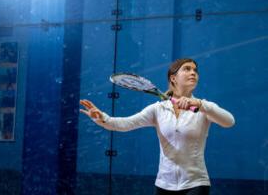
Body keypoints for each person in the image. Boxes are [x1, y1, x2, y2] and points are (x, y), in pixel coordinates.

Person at [79, 58, 235, 195]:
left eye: (195, 70)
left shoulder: (204, 108)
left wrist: (200, 105)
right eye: (187, 69)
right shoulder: (158, 109)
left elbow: (229, 121)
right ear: (173, 78)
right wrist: (102, 117)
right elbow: (125, 124)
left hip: (196, 184)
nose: (193, 72)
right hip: (163, 185)